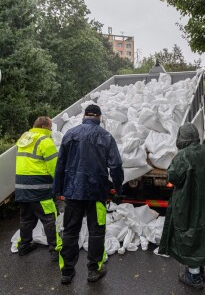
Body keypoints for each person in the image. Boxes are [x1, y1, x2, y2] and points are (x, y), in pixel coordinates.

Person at [53, 104, 124, 284]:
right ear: (99, 118)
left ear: (84, 116)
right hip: (97, 193)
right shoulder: (106, 136)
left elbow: (60, 164)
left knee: (70, 231)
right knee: (96, 231)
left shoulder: (70, 134)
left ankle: (67, 272)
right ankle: (94, 270)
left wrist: (58, 190)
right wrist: (118, 190)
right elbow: (115, 166)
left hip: (73, 193)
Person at [158, 122, 205, 289]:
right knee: (201, 232)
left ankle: (194, 276)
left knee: (188, 233)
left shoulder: (183, 155)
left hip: (187, 201)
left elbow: (173, 177)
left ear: (182, 137)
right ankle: (198, 269)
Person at [15, 116, 62, 261]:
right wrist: (61, 186)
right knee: (49, 219)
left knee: (27, 219)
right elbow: (55, 168)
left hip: (21, 188)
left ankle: (24, 246)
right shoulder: (45, 141)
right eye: (50, 127)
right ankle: (56, 250)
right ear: (43, 127)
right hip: (40, 189)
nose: (51, 130)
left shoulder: (24, 138)